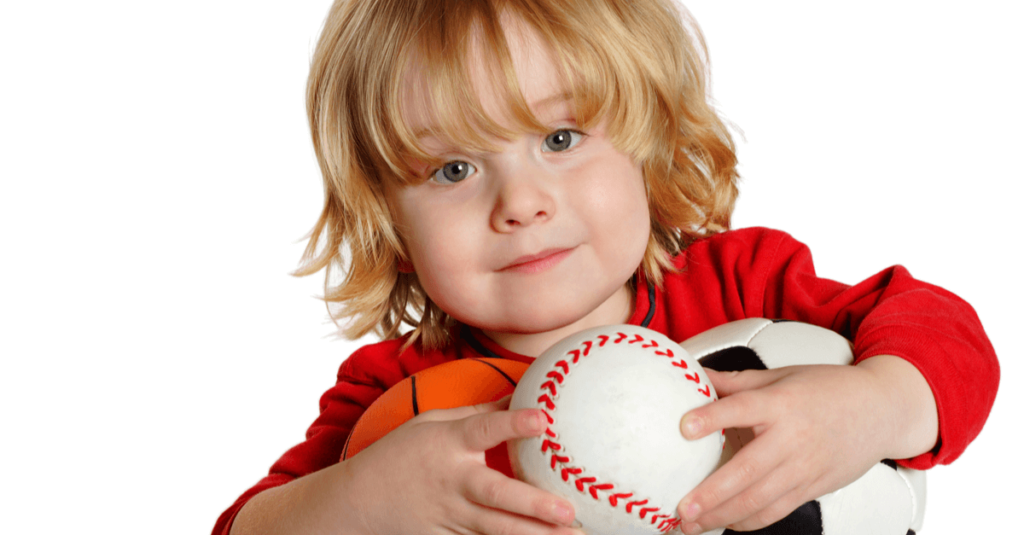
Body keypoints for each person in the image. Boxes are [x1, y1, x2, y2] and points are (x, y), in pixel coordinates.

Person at [215, 1, 999, 534]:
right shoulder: (394, 396)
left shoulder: (742, 284)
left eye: (560, 139)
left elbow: (949, 336)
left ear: (649, 137)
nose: (520, 203)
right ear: (386, 219)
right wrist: (365, 497)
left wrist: (874, 403)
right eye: (451, 170)